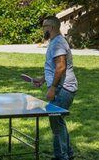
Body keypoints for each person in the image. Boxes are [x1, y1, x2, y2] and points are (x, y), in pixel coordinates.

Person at [29, 16, 77, 160]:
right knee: (58, 121)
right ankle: (67, 153)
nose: (42, 29)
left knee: (55, 121)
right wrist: (43, 80)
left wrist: (53, 88)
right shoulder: (55, 42)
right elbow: (53, 66)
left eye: (44, 26)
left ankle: (61, 156)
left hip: (64, 88)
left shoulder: (57, 43)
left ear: (51, 27)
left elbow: (61, 66)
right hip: (62, 87)